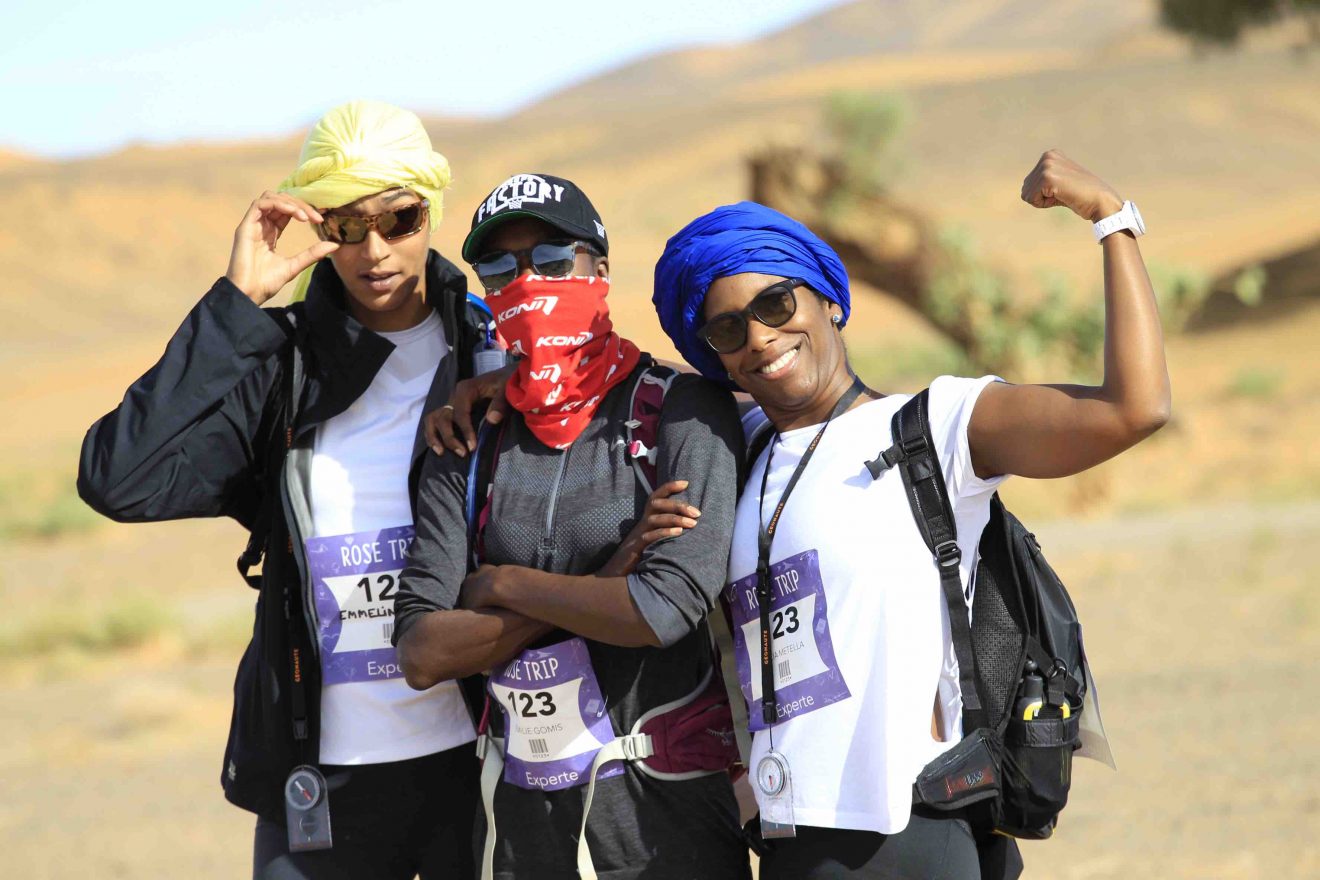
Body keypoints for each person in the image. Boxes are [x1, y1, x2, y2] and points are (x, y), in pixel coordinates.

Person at [649, 150, 1170, 879]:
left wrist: (1111, 219)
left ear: (828, 298)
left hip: (911, 831)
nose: (760, 338)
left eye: (776, 305)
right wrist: (477, 386)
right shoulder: (737, 448)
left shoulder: (935, 429)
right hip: (789, 839)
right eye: (727, 330)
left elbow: (1132, 408)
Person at [78, 100, 493, 879]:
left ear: (430, 208)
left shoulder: (488, 350)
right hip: (322, 777)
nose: (374, 249)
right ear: (319, 228)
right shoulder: (281, 369)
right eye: (343, 225)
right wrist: (236, 307)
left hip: (472, 763)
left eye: (398, 219)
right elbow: (116, 477)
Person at [392, 173, 752, 880]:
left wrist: (499, 583)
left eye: (554, 261)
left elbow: (661, 608)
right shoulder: (466, 439)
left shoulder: (682, 411)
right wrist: (602, 579)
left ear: (600, 269)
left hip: (667, 831)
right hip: (522, 835)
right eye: (500, 269)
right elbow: (422, 653)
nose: (528, 282)